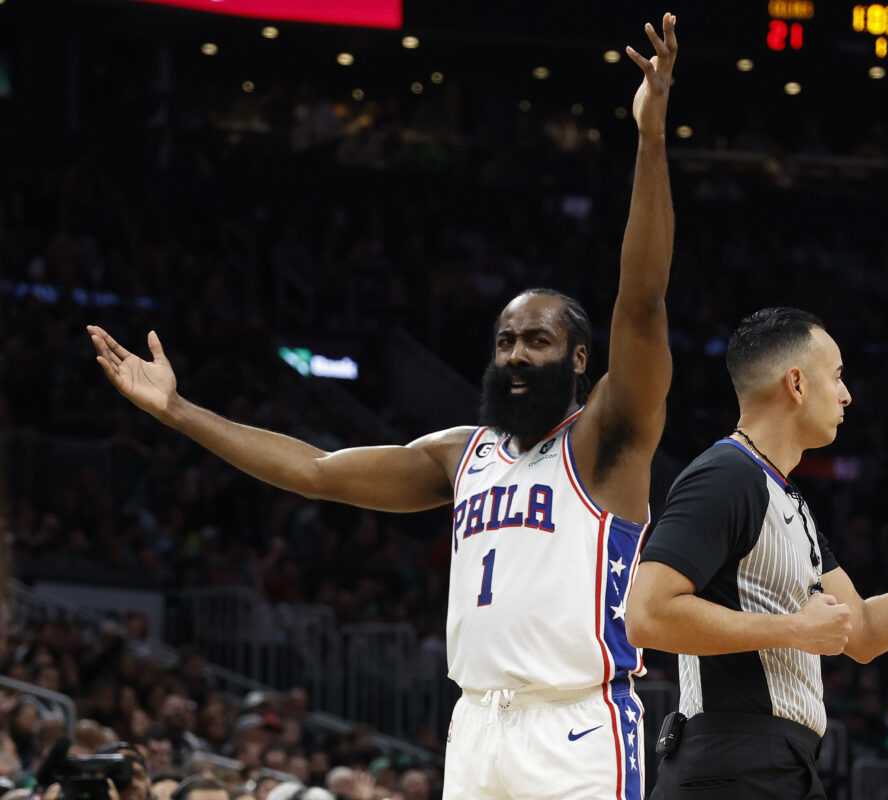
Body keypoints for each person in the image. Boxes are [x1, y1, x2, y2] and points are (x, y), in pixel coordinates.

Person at [88, 13, 679, 800]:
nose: (513, 355)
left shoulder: (606, 440)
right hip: (474, 726)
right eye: (504, 340)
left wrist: (649, 139)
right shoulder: (460, 453)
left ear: (577, 359)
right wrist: (179, 411)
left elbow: (640, 302)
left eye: (535, 341)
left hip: (576, 726)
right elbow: (316, 470)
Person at [625, 307, 888, 799]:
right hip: (732, 765)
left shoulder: (786, 496)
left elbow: (862, 632)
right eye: (837, 376)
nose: (847, 394)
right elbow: (647, 615)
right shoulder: (725, 476)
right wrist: (794, 629)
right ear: (796, 384)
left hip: (781, 765)